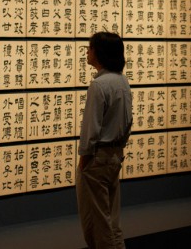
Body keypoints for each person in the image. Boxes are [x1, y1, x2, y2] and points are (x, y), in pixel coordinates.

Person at [76, 32, 133, 249]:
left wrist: (85, 158)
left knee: (98, 223)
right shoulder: (121, 81)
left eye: (90, 48)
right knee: (112, 220)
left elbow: (91, 128)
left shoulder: (99, 85)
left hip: (97, 159)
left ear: (99, 53)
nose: (87, 52)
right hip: (114, 155)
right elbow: (128, 120)